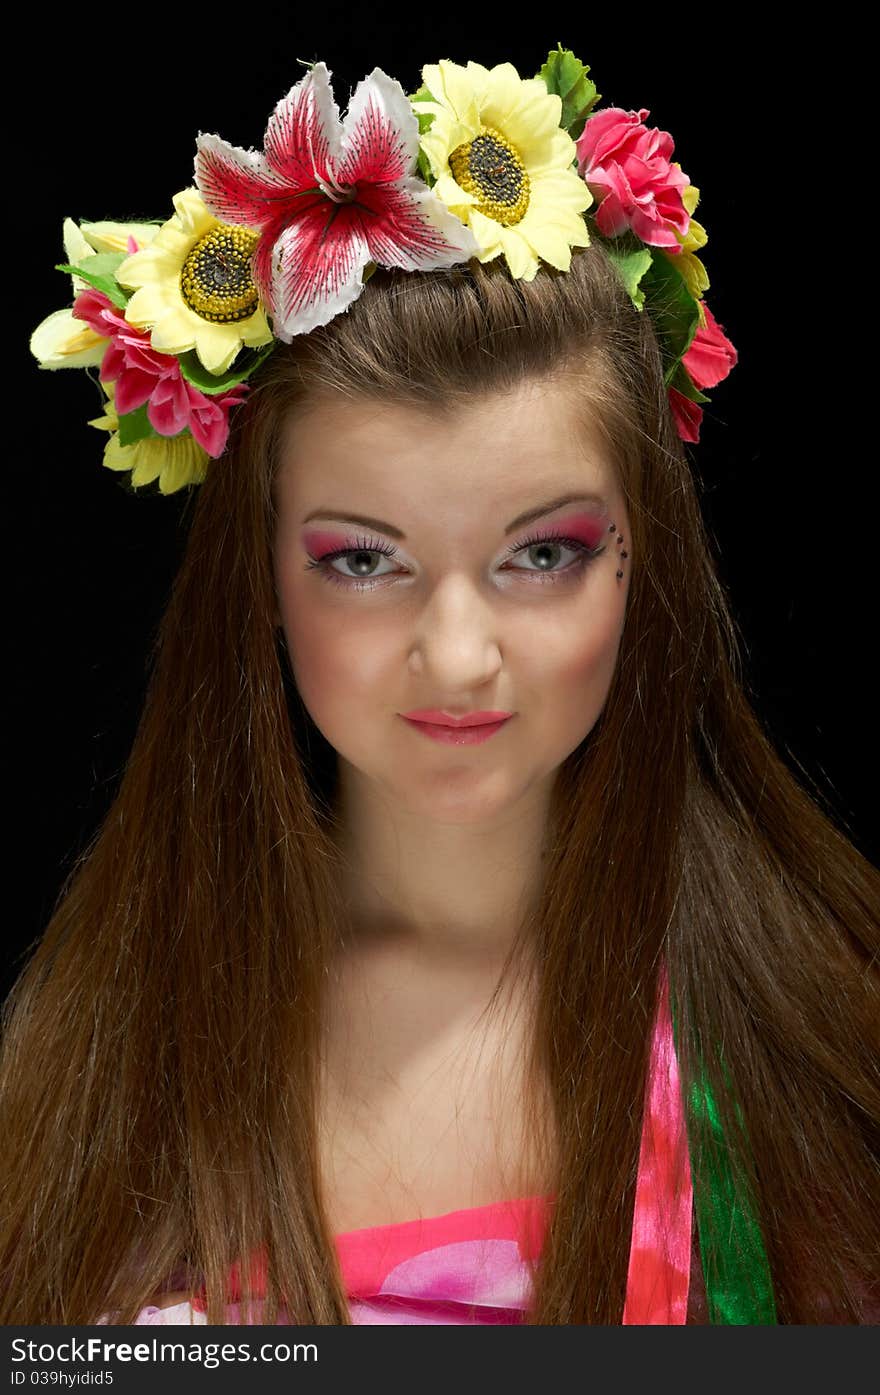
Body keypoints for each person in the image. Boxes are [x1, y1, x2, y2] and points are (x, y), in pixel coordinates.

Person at [4, 50, 878, 1327]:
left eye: (540, 555)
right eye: (364, 561)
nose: (458, 655)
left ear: (647, 566)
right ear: (259, 580)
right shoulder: (90, 1063)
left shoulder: (820, 1035)